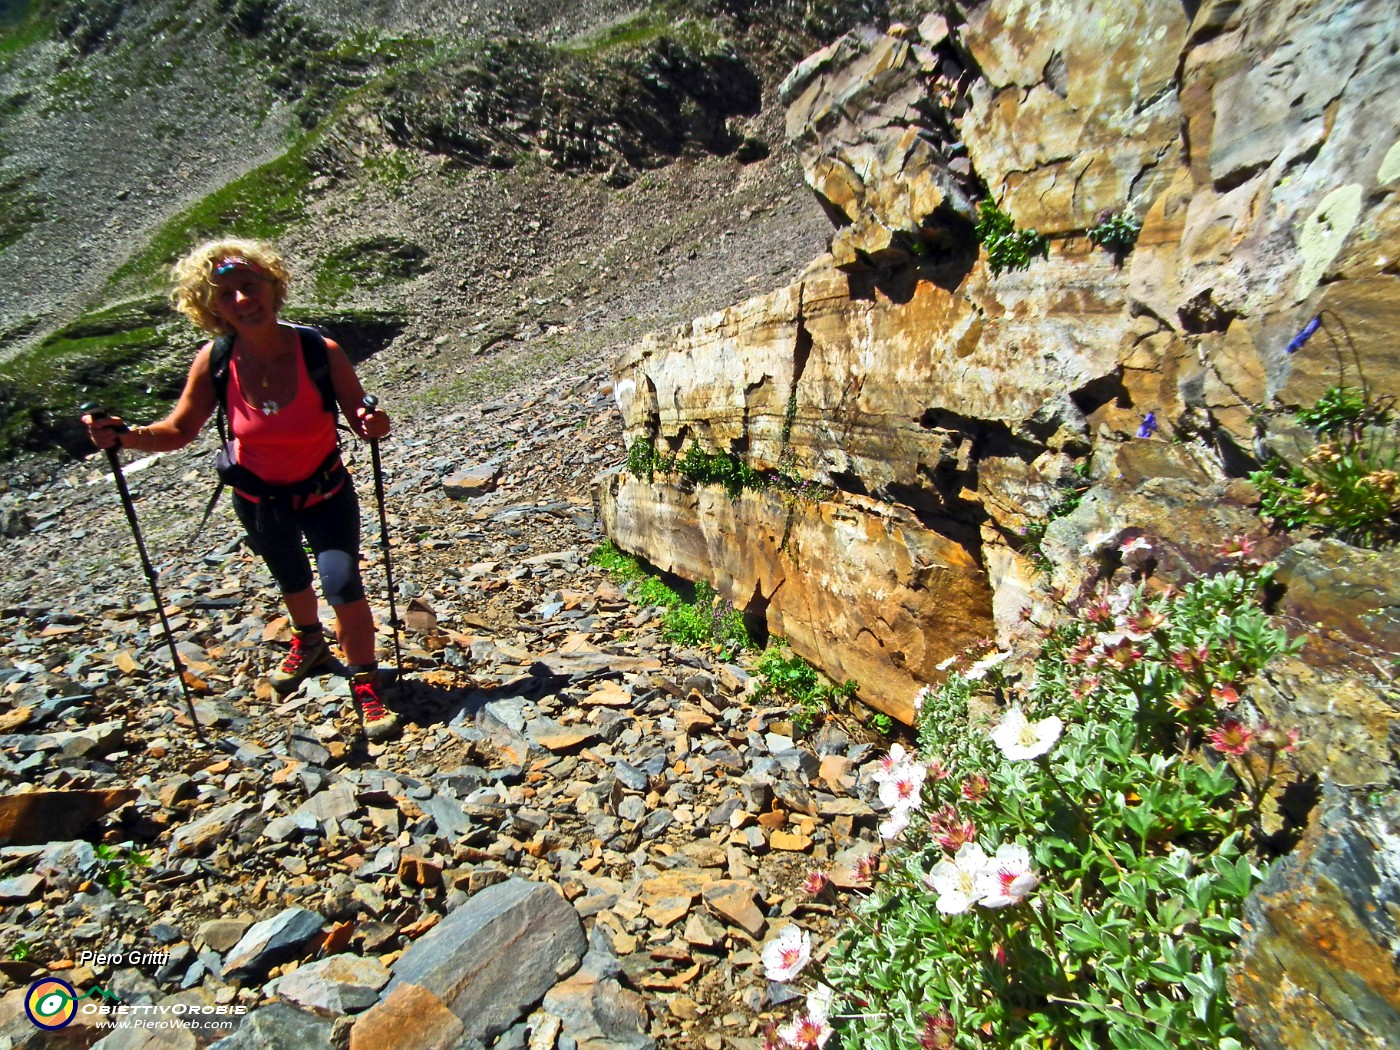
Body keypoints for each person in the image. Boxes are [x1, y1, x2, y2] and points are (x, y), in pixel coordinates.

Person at [83, 238, 400, 741]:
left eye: (249, 287)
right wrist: (124, 437)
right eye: (224, 293)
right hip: (258, 498)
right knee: (291, 579)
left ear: (273, 289)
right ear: (210, 307)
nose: (240, 300)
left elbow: (363, 419)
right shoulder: (215, 360)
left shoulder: (320, 352)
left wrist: (372, 421)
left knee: (341, 584)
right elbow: (179, 431)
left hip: (325, 493)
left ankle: (364, 681)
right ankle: (310, 642)